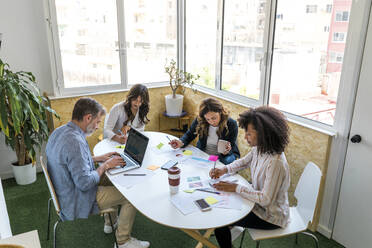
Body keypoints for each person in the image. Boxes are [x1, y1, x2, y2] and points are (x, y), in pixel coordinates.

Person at [46, 98, 150, 248]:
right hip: (75, 199)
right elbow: (84, 183)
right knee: (131, 196)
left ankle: (110, 223)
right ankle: (123, 241)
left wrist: (99, 158)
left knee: (110, 177)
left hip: (64, 188)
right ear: (88, 118)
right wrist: (105, 165)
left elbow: (72, 161)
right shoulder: (75, 142)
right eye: (97, 122)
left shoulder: (60, 131)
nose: (97, 127)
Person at [210, 106, 290, 248]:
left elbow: (265, 199)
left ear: (263, 134)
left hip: (270, 217)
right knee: (225, 201)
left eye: (249, 134)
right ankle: (231, 227)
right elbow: (244, 162)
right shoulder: (260, 148)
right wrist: (224, 169)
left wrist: (236, 188)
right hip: (256, 203)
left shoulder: (276, 162)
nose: (245, 137)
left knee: (220, 222)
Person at [169, 98, 240, 165]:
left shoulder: (231, 124)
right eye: (208, 119)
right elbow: (190, 134)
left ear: (221, 112)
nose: (211, 122)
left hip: (224, 156)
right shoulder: (200, 120)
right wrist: (181, 142)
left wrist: (226, 152)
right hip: (204, 152)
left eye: (214, 118)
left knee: (225, 162)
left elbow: (232, 145)